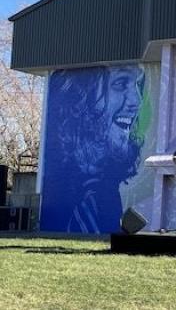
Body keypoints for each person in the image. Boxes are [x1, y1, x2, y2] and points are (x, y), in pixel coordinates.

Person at [42, 65, 145, 233]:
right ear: (80, 99)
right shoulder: (85, 198)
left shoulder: (104, 187)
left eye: (136, 85)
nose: (136, 101)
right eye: (120, 84)